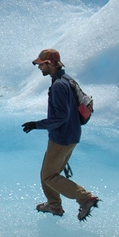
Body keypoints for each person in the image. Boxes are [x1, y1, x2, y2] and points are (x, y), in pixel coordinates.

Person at [22, 49, 100, 221]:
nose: (39, 68)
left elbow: (60, 117)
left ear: (49, 64)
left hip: (62, 137)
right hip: (70, 134)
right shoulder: (67, 80)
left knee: (50, 176)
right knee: (47, 173)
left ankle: (85, 198)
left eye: (41, 64)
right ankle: (53, 205)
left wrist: (37, 125)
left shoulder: (58, 86)